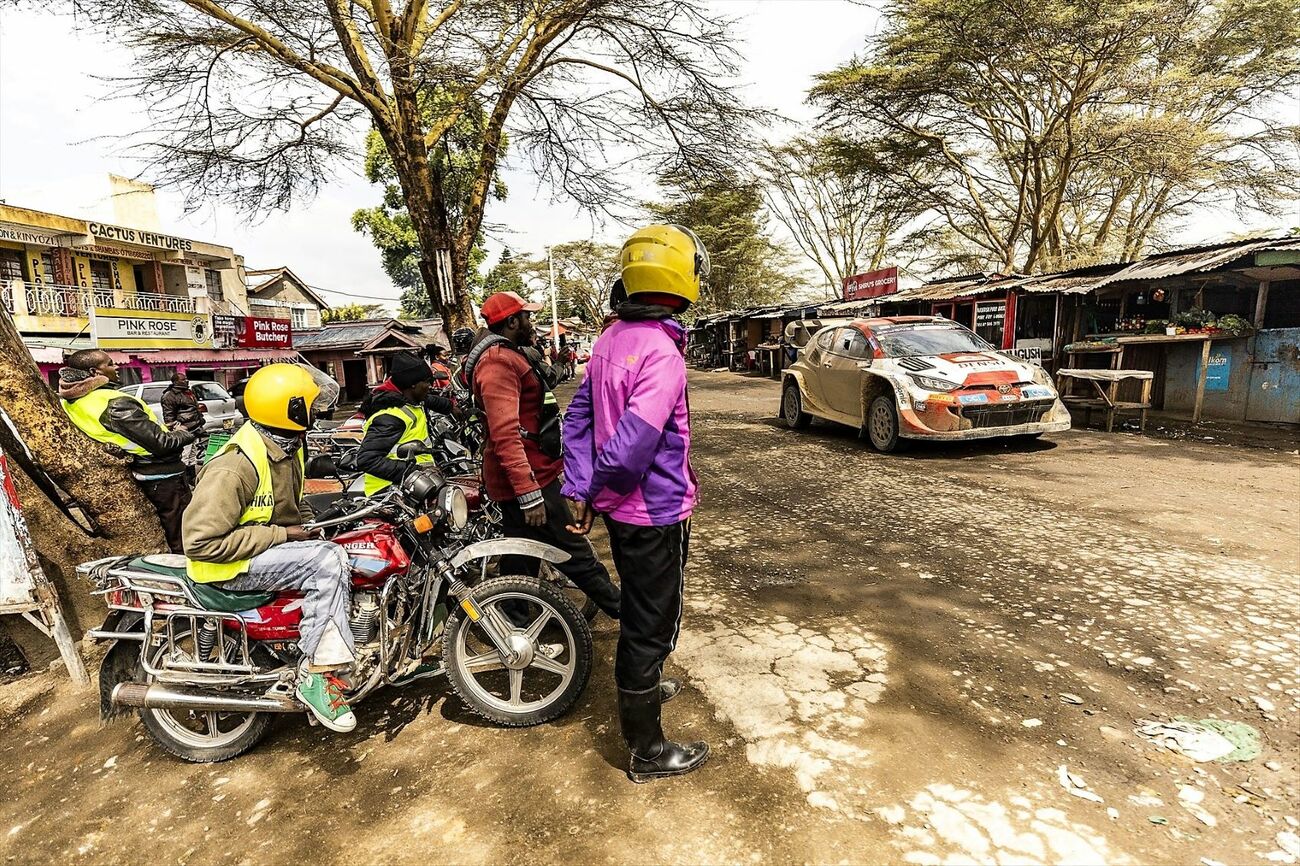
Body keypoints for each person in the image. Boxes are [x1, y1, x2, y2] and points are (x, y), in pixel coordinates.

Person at [561, 224, 710, 783]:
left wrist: (581, 490)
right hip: (654, 513)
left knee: (644, 612)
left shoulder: (610, 340)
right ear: (681, 277)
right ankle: (647, 750)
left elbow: (577, 421)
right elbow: (629, 451)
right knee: (652, 620)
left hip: (626, 514)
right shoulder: (661, 351)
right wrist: (596, 492)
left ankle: (646, 685)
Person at [183, 363, 357, 733]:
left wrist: (317, 527)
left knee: (346, 545)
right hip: (228, 567)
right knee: (326, 561)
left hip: (259, 554)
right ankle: (318, 674)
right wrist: (285, 536)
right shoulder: (233, 467)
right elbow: (200, 543)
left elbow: (293, 506)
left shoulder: (286, 445)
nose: (318, 410)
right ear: (289, 409)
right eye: (310, 405)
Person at [464, 291, 621, 619]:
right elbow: (505, 433)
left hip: (532, 473)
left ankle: (516, 618)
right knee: (575, 553)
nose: (530, 322)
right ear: (511, 322)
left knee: (522, 558)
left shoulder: (509, 354)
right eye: (526, 317)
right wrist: (529, 493)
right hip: (530, 478)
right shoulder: (497, 362)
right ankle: (626, 613)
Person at [58, 350, 195, 553]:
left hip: (142, 471)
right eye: (111, 364)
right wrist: (186, 433)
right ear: (95, 372)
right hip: (161, 473)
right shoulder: (113, 403)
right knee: (181, 531)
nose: (117, 368)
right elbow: (161, 443)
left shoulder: (71, 400)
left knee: (172, 528)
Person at [355, 352, 449, 495]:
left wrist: (451, 407)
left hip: (415, 486)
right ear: (412, 385)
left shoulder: (412, 402)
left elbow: (430, 399)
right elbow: (367, 459)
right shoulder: (391, 417)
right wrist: (414, 470)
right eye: (427, 381)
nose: (431, 386)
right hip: (389, 493)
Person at [161, 372, 207, 481]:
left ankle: (191, 477)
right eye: (183, 379)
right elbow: (168, 416)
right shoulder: (169, 396)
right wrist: (176, 427)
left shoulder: (188, 392)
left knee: (193, 453)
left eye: (186, 379)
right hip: (184, 428)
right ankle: (184, 479)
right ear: (176, 381)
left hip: (195, 427)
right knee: (185, 454)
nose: (186, 381)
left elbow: (193, 408)